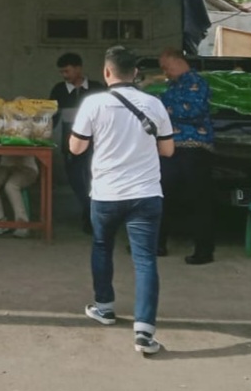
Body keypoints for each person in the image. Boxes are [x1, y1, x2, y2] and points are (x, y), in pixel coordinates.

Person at [69, 45, 175, 356]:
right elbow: (168, 151)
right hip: (145, 194)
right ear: (136, 73)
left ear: (106, 72)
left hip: (106, 194)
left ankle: (104, 307)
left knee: (102, 246)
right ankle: (144, 332)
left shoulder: (93, 104)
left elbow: (76, 149)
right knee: (145, 260)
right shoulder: (155, 104)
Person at [156, 49, 216, 265]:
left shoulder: (197, 83)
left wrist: (162, 109)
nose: (165, 72)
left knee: (198, 199)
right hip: (171, 147)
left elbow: (193, 110)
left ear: (177, 61)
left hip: (194, 148)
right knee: (162, 194)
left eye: (166, 66)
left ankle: (204, 249)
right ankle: (158, 243)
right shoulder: (172, 86)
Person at [51, 52, 106, 234]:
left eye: (67, 71)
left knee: (93, 179)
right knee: (75, 179)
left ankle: (91, 215)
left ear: (78, 68)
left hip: (96, 143)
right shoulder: (59, 90)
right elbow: (52, 117)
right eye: (62, 72)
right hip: (70, 143)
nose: (65, 76)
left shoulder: (98, 88)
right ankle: (88, 208)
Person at [0, 156, 40, 238]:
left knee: (11, 186)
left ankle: (22, 224)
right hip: (5, 166)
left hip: (27, 167)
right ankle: (0, 221)